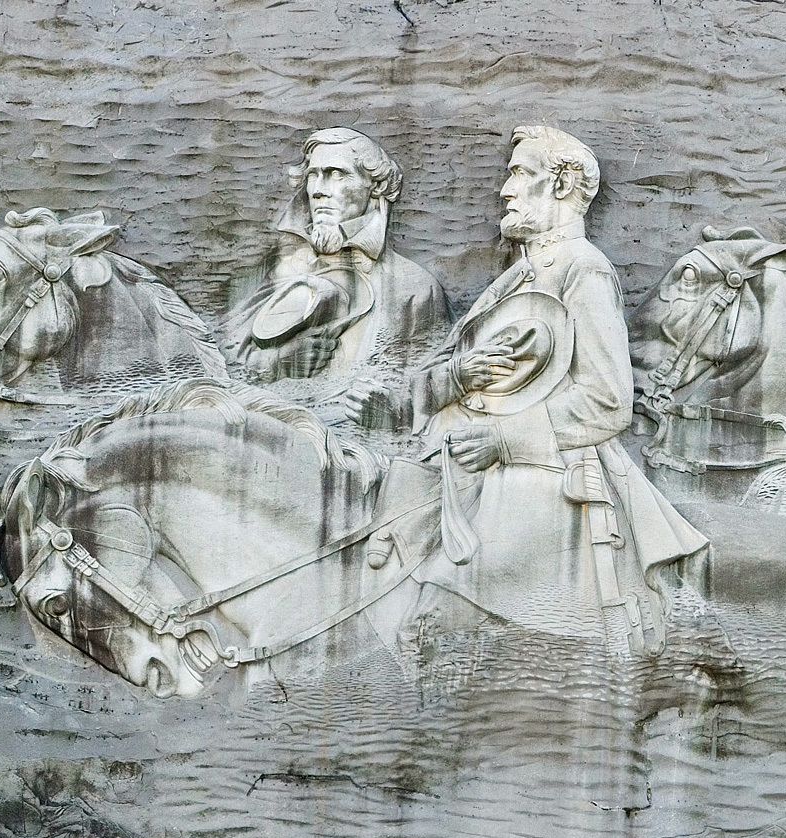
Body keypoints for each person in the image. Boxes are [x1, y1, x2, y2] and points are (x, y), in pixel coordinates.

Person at [370, 126, 708, 656]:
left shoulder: (583, 268)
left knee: (439, 619)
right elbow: (445, 378)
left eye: (520, 173)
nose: (505, 189)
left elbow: (609, 399)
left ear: (563, 184)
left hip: (542, 470)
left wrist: (506, 440)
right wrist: (459, 374)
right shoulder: (517, 276)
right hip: (458, 456)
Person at [223, 128, 450, 432]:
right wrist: (282, 360)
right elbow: (224, 359)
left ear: (376, 186)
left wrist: (391, 413)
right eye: (313, 175)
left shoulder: (414, 287)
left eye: (335, 174)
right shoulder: (283, 270)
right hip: (270, 429)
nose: (318, 190)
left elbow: (437, 395)